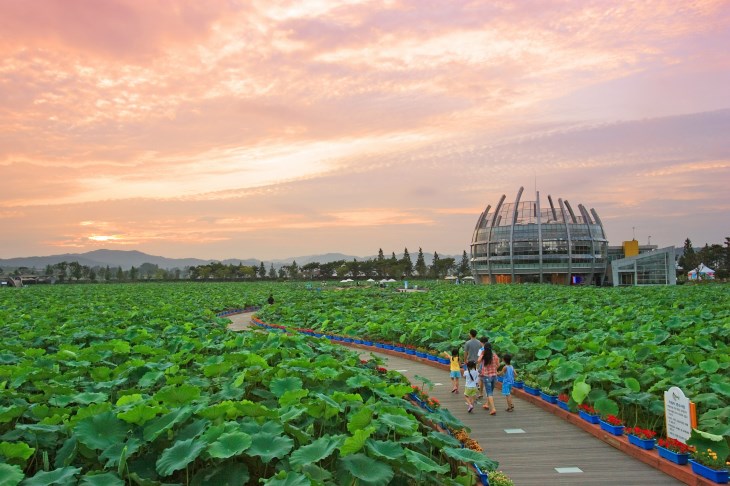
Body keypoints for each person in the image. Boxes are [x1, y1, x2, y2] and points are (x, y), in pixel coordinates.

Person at [480, 342, 499, 415]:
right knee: (490, 391)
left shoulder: (484, 356)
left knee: (489, 393)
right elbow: (498, 365)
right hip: (494, 376)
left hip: (487, 376)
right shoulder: (494, 355)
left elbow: (478, 361)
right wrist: (494, 369)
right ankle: (487, 404)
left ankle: (493, 408)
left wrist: (482, 354)